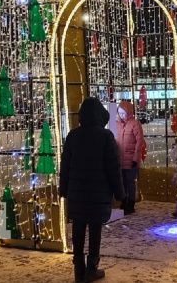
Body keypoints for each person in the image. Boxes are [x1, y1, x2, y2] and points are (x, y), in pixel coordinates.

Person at [59, 98, 125, 283]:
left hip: (77, 194)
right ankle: (91, 269)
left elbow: (65, 167)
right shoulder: (105, 137)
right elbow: (113, 168)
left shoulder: (73, 136)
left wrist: (63, 190)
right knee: (95, 231)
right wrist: (119, 193)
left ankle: (78, 270)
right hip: (98, 194)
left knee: (78, 230)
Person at [115, 100, 146, 215]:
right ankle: (123, 201)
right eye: (120, 113)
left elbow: (139, 142)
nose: (122, 116)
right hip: (120, 159)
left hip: (131, 159)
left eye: (124, 113)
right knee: (122, 182)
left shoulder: (135, 123)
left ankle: (131, 203)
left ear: (129, 112)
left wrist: (135, 159)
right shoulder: (117, 124)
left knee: (130, 182)